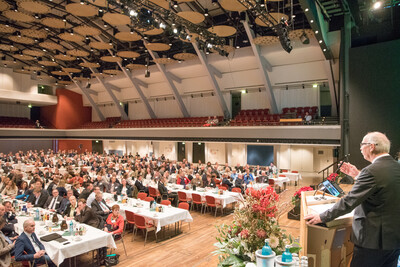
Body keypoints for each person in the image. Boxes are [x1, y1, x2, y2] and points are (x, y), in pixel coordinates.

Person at [305, 132, 400, 267]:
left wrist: (322, 217)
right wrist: (358, 175)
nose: (360, 148)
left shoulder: (371, 171)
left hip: (373, 242)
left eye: (362, 144)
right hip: (394, 241)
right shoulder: (396, 167)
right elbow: (383, 188)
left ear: (371, 147)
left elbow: (349, 202)